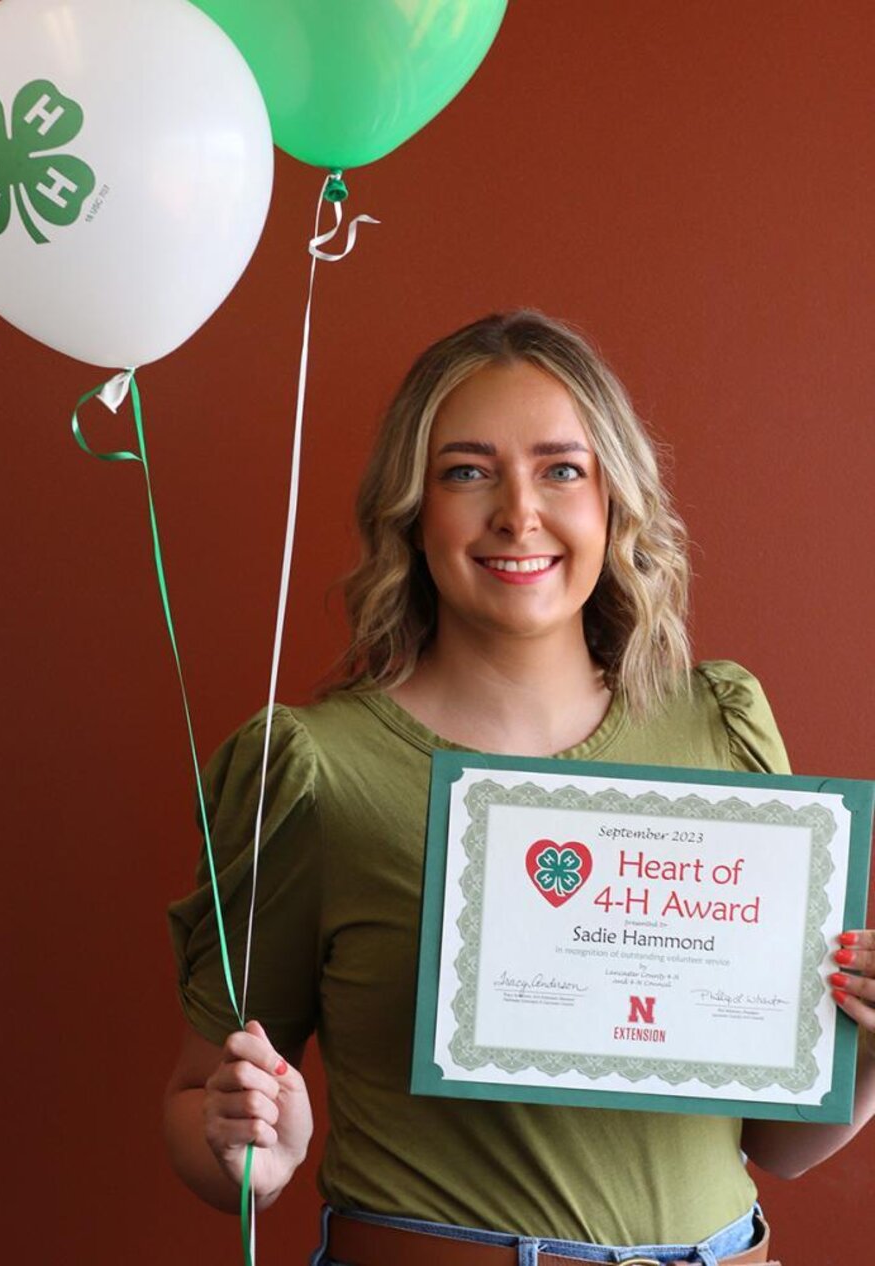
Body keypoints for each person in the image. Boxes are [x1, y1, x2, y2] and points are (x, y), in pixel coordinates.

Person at [163, 311, 875, 1265]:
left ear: (614, 499)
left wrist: (869, 1056)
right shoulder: (317, 769)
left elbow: (777, 1144)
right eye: (467, 471)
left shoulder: (721, 726)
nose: (518, 513)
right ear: (412, 512)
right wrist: (254, 1158)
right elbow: (200, 1099)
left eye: (561, 469)